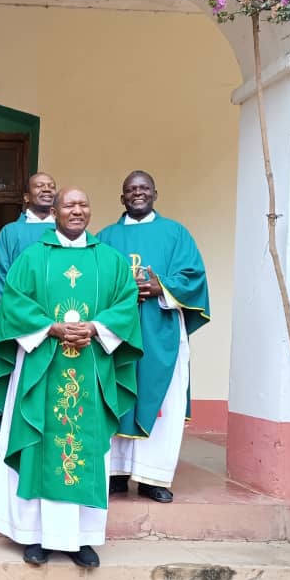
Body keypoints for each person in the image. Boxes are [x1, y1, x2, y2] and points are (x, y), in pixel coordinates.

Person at [0, 187, 142, 567]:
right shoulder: (32, 257)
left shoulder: (109, 260)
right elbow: (13, 302)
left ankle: (81, 538)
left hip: (90, 366)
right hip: (41, 366)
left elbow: (125, 304)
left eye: (84, 204)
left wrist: (96, 327)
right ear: (53, 211)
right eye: (69, 204)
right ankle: (33, 535)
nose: (77, 210)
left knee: (85, 447)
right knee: (38, 442)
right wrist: (50, 328)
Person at [97, 171, 210, 504]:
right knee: (114, 394)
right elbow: (95, 279)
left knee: (163, 399)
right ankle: (115, 472)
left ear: (155, 194)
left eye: (143, 188)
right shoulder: (105, 237)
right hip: (117, 332)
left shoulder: (175, 233)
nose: (137, 194)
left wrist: (163, 287)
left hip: (161, 328)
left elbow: (193, 276)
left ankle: (153, 477)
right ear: (122, 198)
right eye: (130, 189)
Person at [0, 172, 57, 307]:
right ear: (26, 197)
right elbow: (2, 277)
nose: (47, 189)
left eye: (51, 186)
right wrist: (8, 312)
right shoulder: (10, 231)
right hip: (20, 310)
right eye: (39, 186)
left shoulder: (68, 231)